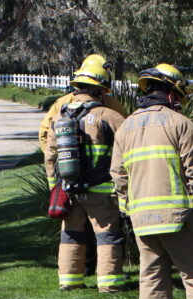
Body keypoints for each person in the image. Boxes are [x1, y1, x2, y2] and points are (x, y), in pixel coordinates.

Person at [110, 63, 193, 299]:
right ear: (172, 94)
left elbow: (118, 176)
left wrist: (127, 209)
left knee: (152, 276)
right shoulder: (179, 124)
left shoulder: (125, 127)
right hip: (178, 217)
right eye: (180, 97)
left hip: (141, 220)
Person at [38, 56, 128, 276]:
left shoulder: (61, 114)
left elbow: (50, 154)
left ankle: (68, 280)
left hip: (69, 189)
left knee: (71, 234)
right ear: (100, 89)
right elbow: (131, 144)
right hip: (102, 191)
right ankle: (109, 283)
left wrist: (55, 187)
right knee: (107, 234)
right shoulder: (109, 115)